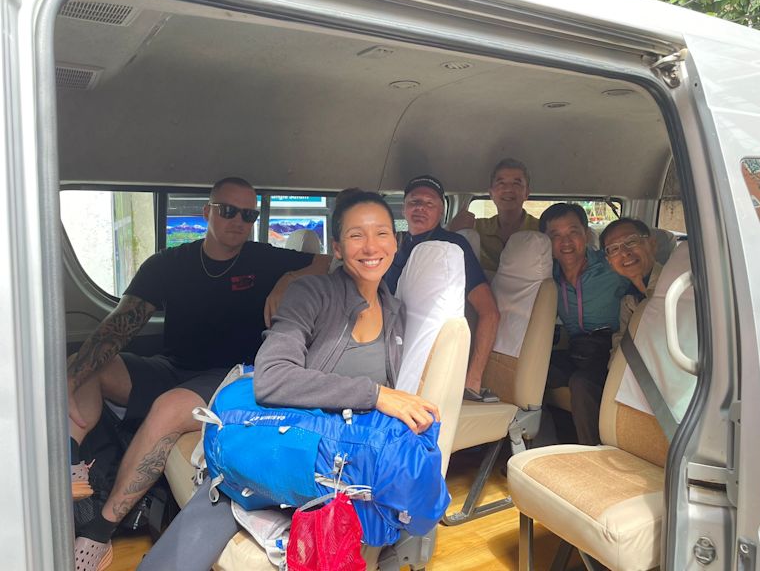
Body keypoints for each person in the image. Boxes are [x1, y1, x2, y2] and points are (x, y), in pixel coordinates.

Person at [136, 190, 439, 570]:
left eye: (381, 233)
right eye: (356, 235)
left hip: (344, 457)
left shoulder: (395, 310)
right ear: (338, 248)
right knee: (207, 518)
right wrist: (374, 395)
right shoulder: (310, 294)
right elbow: (272, 379)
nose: (370, 246)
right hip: (287, 439)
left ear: (395, 242)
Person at [70, 177, 331, 570]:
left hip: (230, 378)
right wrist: (71, 379)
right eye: (228, 211)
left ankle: (98, 534)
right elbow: (118, 327)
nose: (238, 221)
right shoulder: (167, 264)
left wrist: (290, 279)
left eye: (249, 214)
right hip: (171, 366)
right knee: (86, 362)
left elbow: (326, 260)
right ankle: (70, 463)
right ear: (207, 212)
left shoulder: (264, 258)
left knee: (168, 408)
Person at [384, 175, 501, 402]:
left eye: (430, 204)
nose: (420, 208)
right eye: (414, 202)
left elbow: (490, 313)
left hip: (430, 365)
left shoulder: (452, 249)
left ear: (441, 213)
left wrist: (473, 379)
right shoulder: (395, 245)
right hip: (396, 353)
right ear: (404, 208)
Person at [540, 203, 628, 446]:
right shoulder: (547, 273)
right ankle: (535, 445)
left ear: (586, 233)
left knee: (582, 383)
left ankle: (592, 454)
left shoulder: (611, 266)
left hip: (611, 350)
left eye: (573, 232)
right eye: (555, 235)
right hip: (577, 350)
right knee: (535, 369)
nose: (565, 242)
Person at [448, 158, 539, 272]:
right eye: (501, 183)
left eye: (516, 183)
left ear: (526, 193)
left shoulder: (540, 230)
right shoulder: (476, 228)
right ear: (491, 193)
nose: (508, 189)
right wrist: (454, 231)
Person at [600, 218, 663, 354]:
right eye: (614, 249)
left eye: (631, 241)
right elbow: (622, 345)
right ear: (609, 261)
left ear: (652, 244)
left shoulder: (676, 287)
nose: (624, 252)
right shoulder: (628, 301)